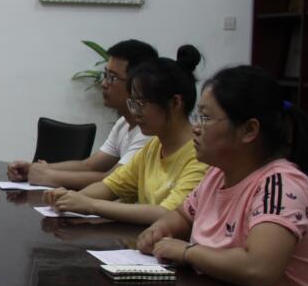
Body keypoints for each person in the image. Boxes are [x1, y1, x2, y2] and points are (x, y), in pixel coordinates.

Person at [137, 65, 308, 286]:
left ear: (249, 130)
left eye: (206, 118)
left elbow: (258, 269)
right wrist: (160, 230)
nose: (196, 128)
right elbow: (182, 215)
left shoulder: (279, 185)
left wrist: (187, 252)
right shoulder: (217, 175)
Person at [46, 45, 209, 225]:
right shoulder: (154, 146)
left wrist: (91, 205)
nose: (135, 112)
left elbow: (170, 214)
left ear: (175, 103)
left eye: (142, 103)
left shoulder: (200, 156)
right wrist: (71, 198)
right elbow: (110, 186)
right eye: (133, 103)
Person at [7, 39, 157, 188]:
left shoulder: (148, 132)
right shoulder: (123, 123)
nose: (104, 84)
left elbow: (111, 180)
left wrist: (49, 176)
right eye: (105, 75)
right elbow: (89, 166)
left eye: (112, 77)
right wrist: (34, 169)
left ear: (137, 83)